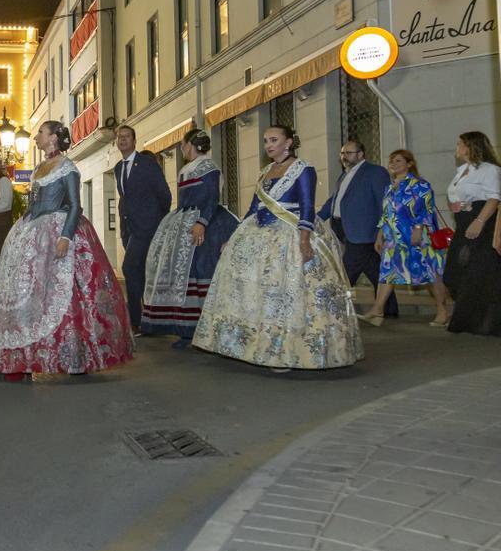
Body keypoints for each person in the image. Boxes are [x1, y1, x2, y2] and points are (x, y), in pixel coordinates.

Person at [193, 125, 362, 371]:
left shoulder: (304, 169)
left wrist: (304, 240)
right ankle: (248, 344)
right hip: (259, 234)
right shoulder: (266, 171)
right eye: (265, 141)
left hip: (290, 234)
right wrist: (235, 236)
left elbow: (306, 206)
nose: (268, 145)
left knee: (285, 292)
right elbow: (254, 207)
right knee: (254, 291)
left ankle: (285, 350)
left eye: (274, 140)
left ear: (289, 142)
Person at [0, 121, 133, 378]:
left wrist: (65, 237)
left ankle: (75, 355)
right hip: (32, 231)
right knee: (27, 291)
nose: (36, 138)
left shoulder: (67, 167)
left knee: (66, 294)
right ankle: (23, 357)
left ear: (53, 137)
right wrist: (22, 232)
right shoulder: (40, 168)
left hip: (59, 230)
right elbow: (34, 204)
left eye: (40, 133)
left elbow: (75, 206)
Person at [141, 129, 238, 348]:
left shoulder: (208, 167)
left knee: (200, 269)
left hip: (207, 221)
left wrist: (201, 222)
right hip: (182, 220)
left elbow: (212, 197)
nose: (182, 149)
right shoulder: (186, 169)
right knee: (182, 275)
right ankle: (187, 329)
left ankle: (207, 330)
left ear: (189, 145)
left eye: (183, 145)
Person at [359, 150, 449, 326]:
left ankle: (442, 311)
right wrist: (380, 236)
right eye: (391, 160)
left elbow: (425, 209)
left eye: (398, 160)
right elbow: (385, 214)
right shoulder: (390, 187)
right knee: (387, 273)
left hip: (417, 236)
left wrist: (417, 228)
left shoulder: (419, 185)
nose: (393, 163)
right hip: (393, 238)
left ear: (409, 164)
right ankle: (377, 310)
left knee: (431, 274)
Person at [318, 140, 397, 318]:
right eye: (342, 153)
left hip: (365, 231)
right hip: (344, 227)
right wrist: (317, 218)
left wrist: (382, 231)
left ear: (361, 154)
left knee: (346, 271)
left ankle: (333, 309)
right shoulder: (344, 175)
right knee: (374, 270)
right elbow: (335, 200)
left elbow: (384, 203)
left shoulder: (375, 172)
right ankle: (390, 309)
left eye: (349, 153)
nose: (344, 157)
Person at [114, 125, 171, 335]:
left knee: (129, 267)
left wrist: (156, 220)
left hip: (147, 227)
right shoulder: (118, 167)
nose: (122, 140)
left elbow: (164, 194)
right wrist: (123, 228)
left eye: (127, 136)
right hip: (129, 229)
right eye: (119, 137)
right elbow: (125, 200)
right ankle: (152, 319)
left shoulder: (147, 164)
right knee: (144, 273)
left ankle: (136, 321)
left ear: (134, 140)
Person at [444, 131, 501, 336]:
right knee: (453, 272)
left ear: (471, 146)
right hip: (464, 220)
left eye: (460, 143)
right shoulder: (463, 170)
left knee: (478, 272)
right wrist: (455, 206)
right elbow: (457, 195)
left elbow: (494, 199)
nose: (457, 147)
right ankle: (474, 317)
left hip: (482, 221)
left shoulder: (490, 170)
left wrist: (479, 221)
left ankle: (480, 321)